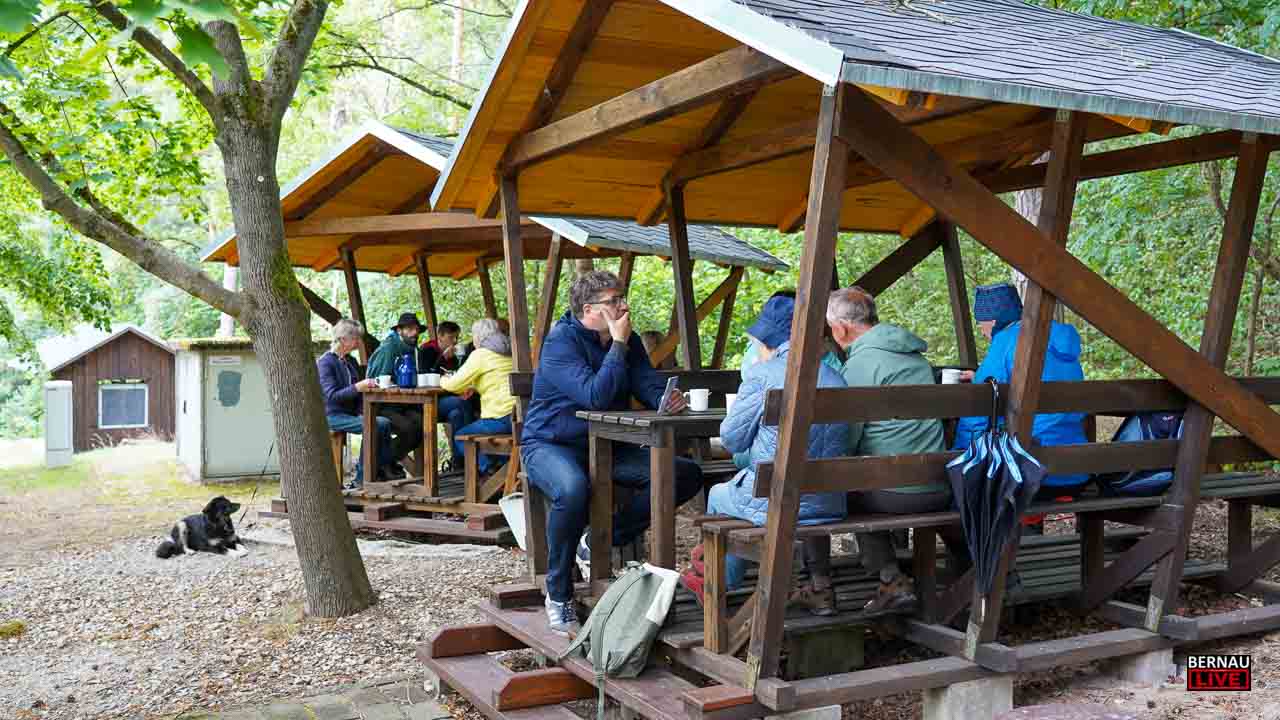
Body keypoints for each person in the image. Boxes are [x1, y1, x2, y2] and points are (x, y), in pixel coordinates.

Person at [522, 270, 703, 635]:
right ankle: (558, 593)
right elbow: (596, 397)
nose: (624, 306)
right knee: (573, 489)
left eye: (622, 298)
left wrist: (665, 398)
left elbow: (645, 382)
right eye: (614, 301)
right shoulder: (560, 343)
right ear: (589, 309)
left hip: (608, 445)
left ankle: (601, 540)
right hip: (550, 444)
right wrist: (617, 344)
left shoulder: (628, 339)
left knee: (685, 474)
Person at [681, 295, 849, 615]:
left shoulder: (763, 374)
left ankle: (720, 584)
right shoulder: (835, 377)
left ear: (769, 341)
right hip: (828, 501)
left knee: (717, 495)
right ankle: (725, 581)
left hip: (776, 500)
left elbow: (731, 439)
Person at [827, 287, 967, 612]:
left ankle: (890, 578)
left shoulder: (859, 366)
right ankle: (971, 565)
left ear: (841, 329)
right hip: (937, 484)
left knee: (838, 490)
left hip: (896, 494)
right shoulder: (915, 356)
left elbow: (847, 439)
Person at [953, 282, 1089, 529]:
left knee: (975, 484)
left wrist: (959, 456)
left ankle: (1003, 548)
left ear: (992, 321)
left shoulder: (1006, 341)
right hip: (1075, 470)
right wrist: (980, 377)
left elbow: (978, 414)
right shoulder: (1058, 339)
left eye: (980, 323)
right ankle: (1027, 533)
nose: (981, 331)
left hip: (1031, 472)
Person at [317, 319, 396, 488]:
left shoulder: (350, 361)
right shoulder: (325, 363)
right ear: (342, 339)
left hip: (349, 414)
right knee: (373, 425)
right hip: (331, 416)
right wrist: (358, 387)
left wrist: (362, 410)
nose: (358, 342)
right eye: (355, 338)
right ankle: (362, 478)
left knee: (384, 423)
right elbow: (332, 396)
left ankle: (381, 470)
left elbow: (358, 394)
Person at [441, 319, 515, 476]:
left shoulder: (481, 354)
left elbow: (453, 384)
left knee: (460, 437)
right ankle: (502, 474)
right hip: (520, 417)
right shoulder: (510, 350)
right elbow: (497, 377)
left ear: (479, 337)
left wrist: (442, 379)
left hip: (500, 418)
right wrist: (474, 387)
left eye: (473, 335)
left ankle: (489, 471)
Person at [366, 312, 429, 476]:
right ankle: (382, 464)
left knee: (423, 424)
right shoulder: (388, 348)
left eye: (416, 329)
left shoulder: (412, 349)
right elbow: (375, 381)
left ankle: (387, 461)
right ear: (399, 330)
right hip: (381, 405)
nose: (414, 333)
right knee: (408, 428)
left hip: (403, 404)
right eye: (410, 329)